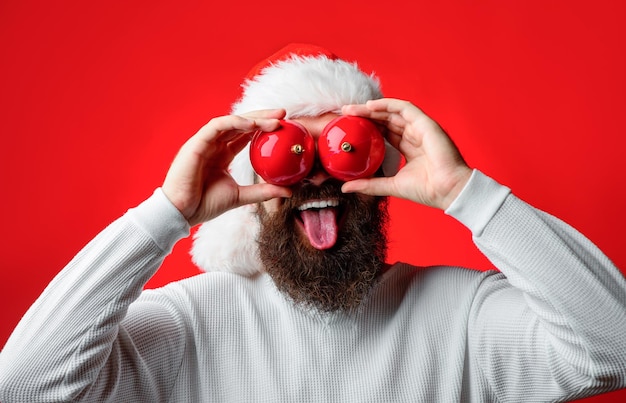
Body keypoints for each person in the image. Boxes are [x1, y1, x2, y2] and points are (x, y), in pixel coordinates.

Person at [1, 43, 625, 402]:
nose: (320, 176)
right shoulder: (191, 322)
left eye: (342, 149)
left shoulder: (462, 318)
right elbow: (23, 386)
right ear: (254, 186)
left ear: (381, 173)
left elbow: (615, 349)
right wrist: (167, 214)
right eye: (296, 157)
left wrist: (466, 192)